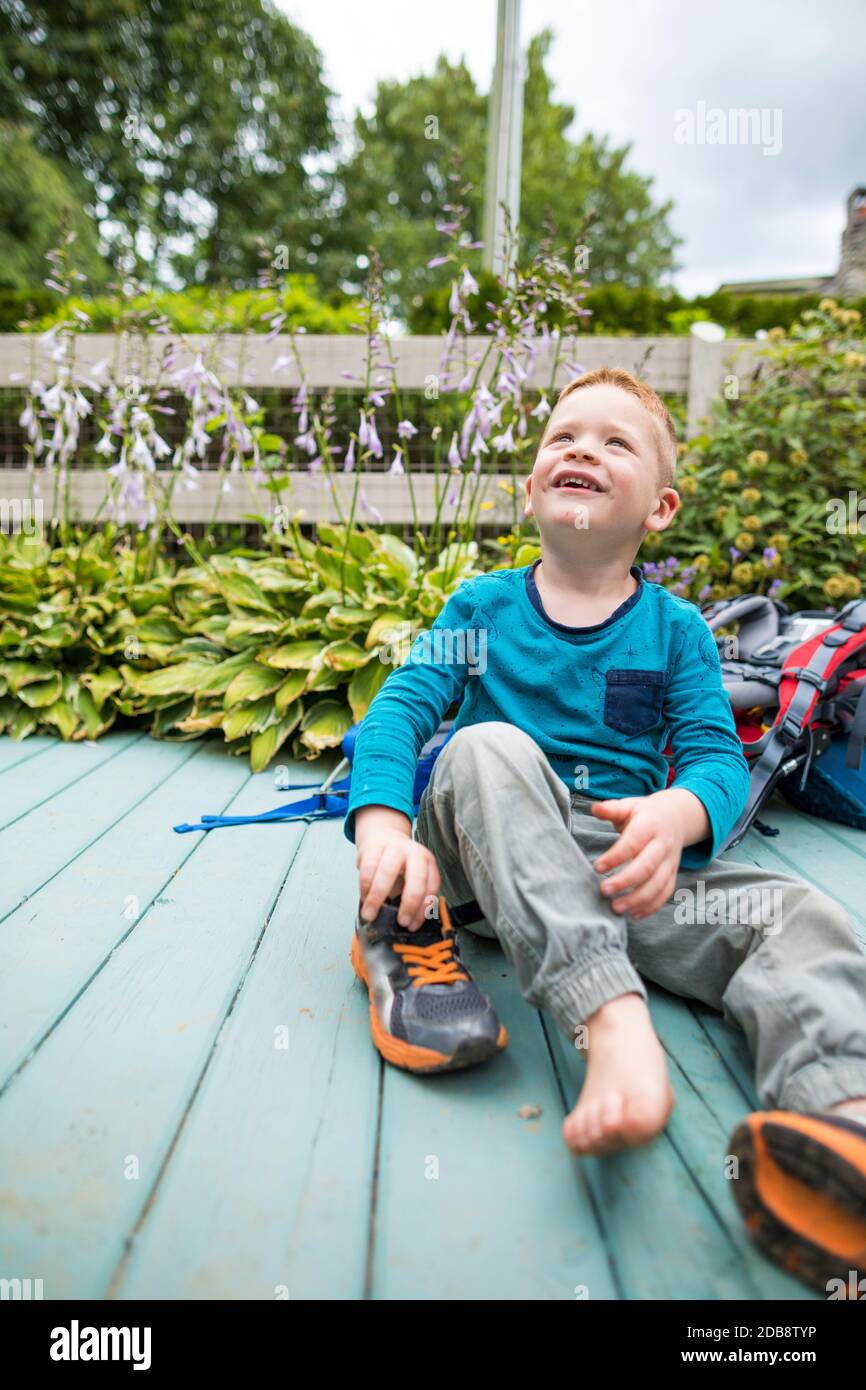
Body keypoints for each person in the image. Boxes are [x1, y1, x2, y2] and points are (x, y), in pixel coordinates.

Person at [344, 366, 866, 1294]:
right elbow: (397, 715)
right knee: (485, 746)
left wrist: (678, 813)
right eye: (564, 436)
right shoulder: (482, 609)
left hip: (614, 868)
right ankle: (610, 1020)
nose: (582, 448)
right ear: (536, 481)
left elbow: (712, 758)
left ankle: (840, 1119)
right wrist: (386, 826)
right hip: (486, 850)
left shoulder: (675, 632)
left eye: (614, 441)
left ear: (659, 510)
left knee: (794, 912)